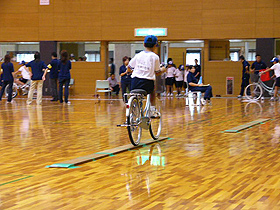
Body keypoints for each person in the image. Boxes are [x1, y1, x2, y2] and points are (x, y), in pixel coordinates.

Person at [126, 35, 166, 110]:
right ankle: (152, 109)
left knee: (134, 93)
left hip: (135, 81)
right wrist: (163, 69)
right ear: (155, 46)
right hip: (147, 82)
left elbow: (129, 67)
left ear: (144, 44)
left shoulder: (138, 55)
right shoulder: (155, 57)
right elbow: (157, 72)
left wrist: (129, 72)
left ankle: (133, 107)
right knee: (152, 92)